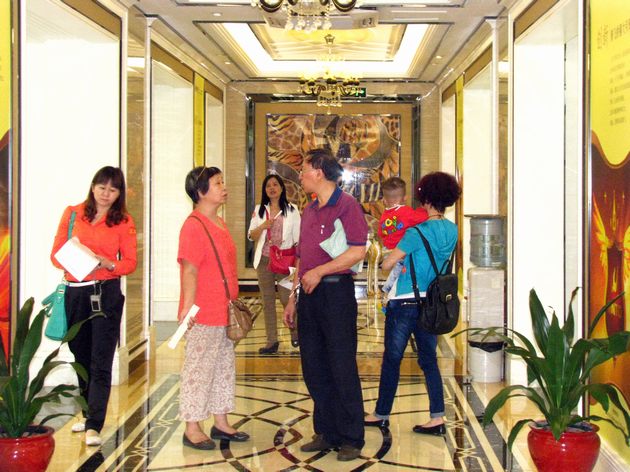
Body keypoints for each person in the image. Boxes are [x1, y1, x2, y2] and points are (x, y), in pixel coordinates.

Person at [283, 148, 368, 462]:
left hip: (335, 295)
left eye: (304, 170)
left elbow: (357, 251)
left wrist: (320, 272)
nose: (301, 176)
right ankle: (327, 431)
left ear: (319, 172)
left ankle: (351, 437)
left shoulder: (347, 206)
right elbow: (302, 259)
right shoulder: (309, 209)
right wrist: (292, 297)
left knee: (341, 365)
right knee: (314, 366)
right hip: (308, 295)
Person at [364, 171, 461, 435]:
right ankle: (437, 417)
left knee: (392, 359)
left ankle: (381, 413)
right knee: (429, 360)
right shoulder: (452, 230)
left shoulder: (416, 232)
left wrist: (387, 258)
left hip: (405, 301)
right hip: (431, 303)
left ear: (426, 198)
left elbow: (387, 263)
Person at [50, 166, 137, 447]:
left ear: (119, 194)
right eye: (101, 187)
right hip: (75, 292)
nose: (105, 194)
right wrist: (79, 260)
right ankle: (88, 412)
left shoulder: (123, 221)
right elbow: (55, 255)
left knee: (101, 358)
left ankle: (94, 424)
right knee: (80, 355)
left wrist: (107, 263)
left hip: (105, 293)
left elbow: (129, 263)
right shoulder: (72, 213)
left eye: (113, 190)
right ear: (92, 187)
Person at [177, 166, 250, 451]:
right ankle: (192, 426)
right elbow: (190, 270)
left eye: (222, 181)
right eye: (217, 183)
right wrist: (187, 308)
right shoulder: (193, 225)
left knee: (222, 366)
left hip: (224, 309)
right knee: (199, 369)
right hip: (203, 310)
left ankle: (221, 421)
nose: (223, 187)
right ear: (200, 192)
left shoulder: (218, 222)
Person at [248, 174, 301, 354]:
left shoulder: (292, 210)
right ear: (265, 190)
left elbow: (298, 238)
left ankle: (295, 333)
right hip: (264, 261)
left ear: (281, 188)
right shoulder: (259, 210)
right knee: (268, 301)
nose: (272, 188)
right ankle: (272, 341)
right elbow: (251, 235)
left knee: (287, 299)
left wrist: (298, 263)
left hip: (285, 261)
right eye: (268, 186)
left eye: (275, 185)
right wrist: (263, 226)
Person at [378, 177, 428, 295]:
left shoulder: (385, 215)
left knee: (397, 270)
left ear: (384, 200)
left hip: (386, 251)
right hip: (399, 252)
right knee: (400, 270)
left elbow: (380, 233)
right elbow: (423, 217)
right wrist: (423, 209)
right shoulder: (405, 211)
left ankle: (389, 288)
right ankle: (388, 288)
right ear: (405, 198)